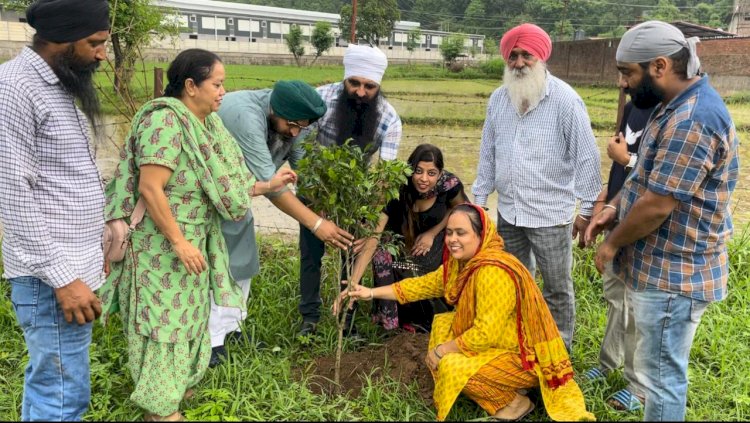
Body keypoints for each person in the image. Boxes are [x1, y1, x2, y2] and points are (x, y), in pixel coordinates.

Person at [100, 49, 296, 421]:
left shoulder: (207, 125)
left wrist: (269, 184)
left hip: (193, 244)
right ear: (191, 86)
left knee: (190, 320)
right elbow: (151, 189)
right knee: (162, 326)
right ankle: (160, 409)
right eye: (217, 84)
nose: (223, 92)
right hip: (160, 247)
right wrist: (179, 241)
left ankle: (178, 388)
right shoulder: (165, 123)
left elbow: (223, 186)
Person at [585, 21, 740, 422]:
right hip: (661, 267)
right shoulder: (669, 107)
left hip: (676, 274)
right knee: (658, 375)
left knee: (661, 379)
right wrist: (613, 207)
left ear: (659, 66)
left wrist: (613, 242)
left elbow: (657, 204)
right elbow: (645, 177)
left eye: (627, 73)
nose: (622, 85)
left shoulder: (693, 119)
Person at [337, 204, 595, 422]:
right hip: (499, 344)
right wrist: (369, 292)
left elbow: (484, 334)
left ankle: (517, 402)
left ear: (481, 236)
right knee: (443, 327)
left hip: (523, 356)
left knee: (449, 365)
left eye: (461, 233)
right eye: (449, 233)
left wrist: (441, 351)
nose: (452, 240)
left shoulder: (493, 272)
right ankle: (507, 385)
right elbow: (419, 286)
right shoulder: (461, 266)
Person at [0, 0, 110, 420]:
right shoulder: (14, 88)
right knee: (61, 395)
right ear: (61, 39)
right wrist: (65, 281)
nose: (102, 53)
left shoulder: (60, 83)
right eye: (95, 43)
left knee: (57, 385)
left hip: (70, 270)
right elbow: (13, 195)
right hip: (51, 279)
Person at [471, 23, 602, 351]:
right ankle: (522, 348)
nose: (518, 63)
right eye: (512, 56)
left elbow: (586, 157)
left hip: (550, 215)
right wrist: (479, 198)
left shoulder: (565, 100)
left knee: (557, 289)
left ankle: (559, 355)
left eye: (525, 55)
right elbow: (489, 150)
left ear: (540, 56)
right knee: (515, 283)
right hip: (510, 212)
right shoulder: (499, 100)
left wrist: (587, 210)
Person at [211, 80, 353, 366]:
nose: (295, 133)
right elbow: (272, 186)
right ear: (277, 110)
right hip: (208, 198)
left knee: (242, 261)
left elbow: (305, 168)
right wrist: (315, 225)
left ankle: (231, 329)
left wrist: (327, 207)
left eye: (303, 127)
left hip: (238, 198)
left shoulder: (292, 120)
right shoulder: (246, 117)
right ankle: (212, 343)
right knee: (216, 264)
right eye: (293, 125)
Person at [297, 44, 403, 337]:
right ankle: (310, 317)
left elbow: (384, 176)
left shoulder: (389, 119)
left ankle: (347, 317)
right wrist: (318, 210)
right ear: (344, 80)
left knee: (351, 253)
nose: (360, 92)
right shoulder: (319, 100)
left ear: (378, 86)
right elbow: (302, 156)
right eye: (354, 83)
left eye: (369, 86)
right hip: (315, 186)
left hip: (355, 194)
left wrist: (369, 223)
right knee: (311, 251)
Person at [581, 100, 654, 413]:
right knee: (616, 298)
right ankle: (608, 363)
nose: (624, 80)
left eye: (629, 72)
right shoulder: (632, 106)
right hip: (618, 215)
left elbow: (660, 173)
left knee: (640, 308)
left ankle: (639, 387)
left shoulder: (666, 109)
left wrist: (627, 159)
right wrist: (602, 204)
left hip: (646, 223)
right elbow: (616, 170)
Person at [347, 144, 467, 333]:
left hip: (431, 241)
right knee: (385, 256)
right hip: (399, 239)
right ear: (410, 169)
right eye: (418, 171)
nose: (424, 179)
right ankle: (390, 322)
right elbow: (374, 238)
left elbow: (461, 209)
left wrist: (432, 233)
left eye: (431, 173)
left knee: (424, 268)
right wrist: (354, 282)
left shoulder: (449, 185)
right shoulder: (397, 187)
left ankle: (427, 321)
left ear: (440, 173)